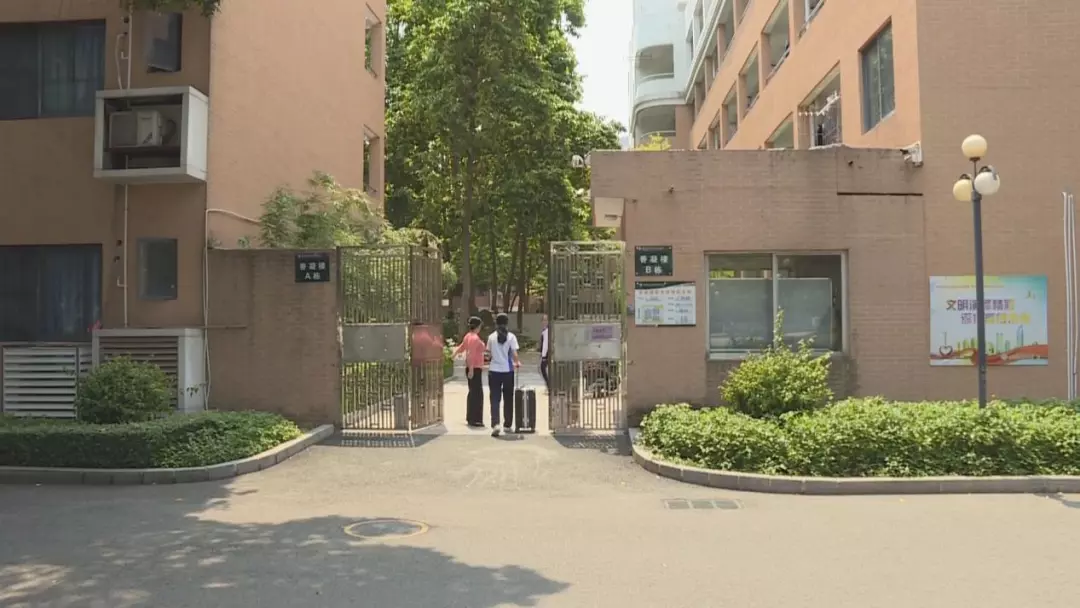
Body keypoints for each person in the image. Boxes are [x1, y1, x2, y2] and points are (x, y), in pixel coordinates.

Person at [486, 312, 521, 437]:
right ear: (507, 323)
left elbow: (488, 355)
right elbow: (514, 353)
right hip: (507, 371)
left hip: (494, 371)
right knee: (508, 398)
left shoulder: (491, 337)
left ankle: (495, 424)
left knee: (495, 398)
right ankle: (507, 424)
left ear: (496, 323)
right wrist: (517, 362)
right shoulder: (511, 337)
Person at [452, 316, 486, 427]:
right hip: (474, 368)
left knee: (472, 393)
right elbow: (470, 354)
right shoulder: (474, 338)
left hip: (473, 367)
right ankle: (475, 419)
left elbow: (462, 347)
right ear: (478, 326)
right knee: (477, 394)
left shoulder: (468, 336)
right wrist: (471, 369)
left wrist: (454, 354)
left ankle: (471, 417)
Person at [539, 314, 550, 391]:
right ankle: (549, 385)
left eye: (546, 320)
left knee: (543, 368)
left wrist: (543, 356)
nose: (544, 322)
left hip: (547, 353)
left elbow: (545, 344)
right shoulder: (545, 330)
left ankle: (549, 385)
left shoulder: (547, 331)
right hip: (547, 353)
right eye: (543, 320)